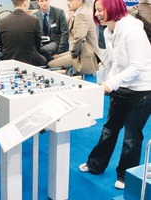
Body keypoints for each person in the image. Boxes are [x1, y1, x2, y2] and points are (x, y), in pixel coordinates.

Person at [79, 0, 151, 190]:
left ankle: (126, 176)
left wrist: (111, 84)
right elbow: (114, 63)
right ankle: (95, 164)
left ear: (112, 8)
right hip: (122, 87)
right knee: (109, 129)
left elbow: (137, 66)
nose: (97, 13)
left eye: (100, 9)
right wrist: (105, 83)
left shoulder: (132, 31)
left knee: (131, 137)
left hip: (143, 90)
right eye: (96, 10)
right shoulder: (107, 31)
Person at [47, 0, 103, 75]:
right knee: (55, 57)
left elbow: (79, 38)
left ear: (80, 1)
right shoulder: (82, 12)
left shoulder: (81, 15)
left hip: (84, 56)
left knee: (51, 64)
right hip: (83, 52)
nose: (68, 3)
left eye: (71, 0)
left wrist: (73, 53)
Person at [0, 0, 47, 66]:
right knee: (46, 58)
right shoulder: (34, 21)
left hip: (8, 61)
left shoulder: (2, 22)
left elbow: (2, 46)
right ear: (25, 3)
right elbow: (37, 45)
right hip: (30, 61)